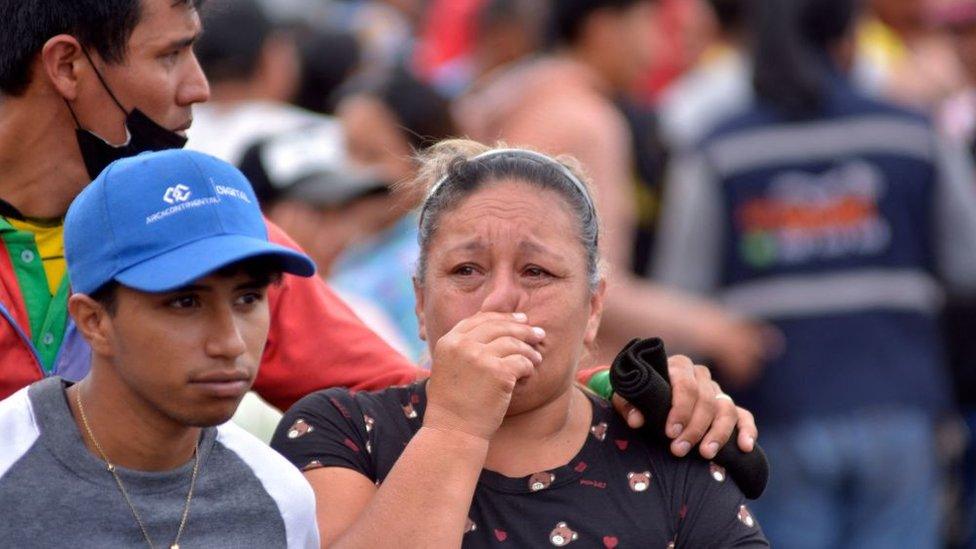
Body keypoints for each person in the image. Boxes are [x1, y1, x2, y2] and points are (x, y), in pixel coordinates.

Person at [0, 0, 757, 460]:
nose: (199, 85)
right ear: (67, 66)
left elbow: (413, 395)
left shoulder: (208, 232)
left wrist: (617, 391)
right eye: (170, 54)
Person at [271, 141, 769, 548]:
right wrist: (456, 428)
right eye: (466, 271)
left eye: (537, 272)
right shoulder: (343, 433)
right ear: (421, 303)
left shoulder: (667, 452)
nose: (500, 299)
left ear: (594, 307)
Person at [655, 0, 976, 545]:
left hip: (773, 416)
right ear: (849, 42)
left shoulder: (718, 146)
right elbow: (967, 266)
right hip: (899, 406)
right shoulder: (915, 135)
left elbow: (680, 293)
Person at [0, 149, 319, 548]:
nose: (230, 343)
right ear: (93, 321)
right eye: (185, 302)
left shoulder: (280, 497)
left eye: (248, 298)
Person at [455, 0, 776, 387]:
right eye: (651, 26)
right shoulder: (588, 122)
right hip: (560, 384)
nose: (658, 50)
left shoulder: (517, 95)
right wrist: (711, 329)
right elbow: (595, 286)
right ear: (603, 26)